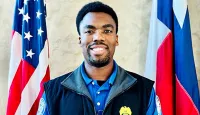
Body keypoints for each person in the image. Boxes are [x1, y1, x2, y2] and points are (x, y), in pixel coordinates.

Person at [37, 1, 162, 115]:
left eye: (107, 31)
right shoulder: (53, 92)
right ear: (80, 39)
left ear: (116, 39)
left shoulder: (143, 90)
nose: (98, 37)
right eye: (90, 31)